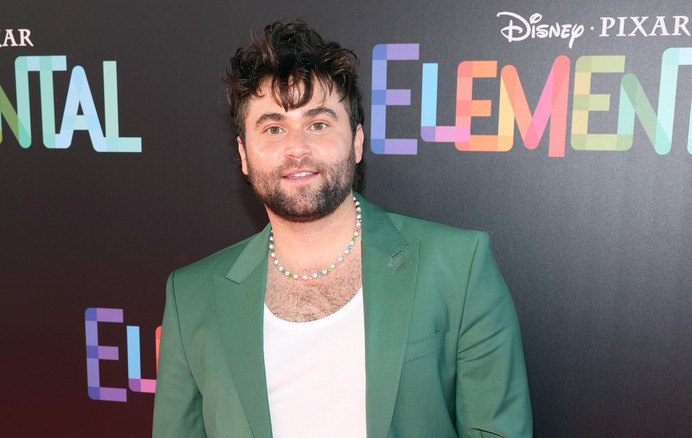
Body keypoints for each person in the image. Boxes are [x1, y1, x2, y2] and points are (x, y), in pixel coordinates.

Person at [153, 20, 532, 438]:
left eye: (318, 124)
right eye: (273, 128)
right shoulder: (190, 299)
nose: (296, 148)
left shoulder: (459, 268)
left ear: (356, 142)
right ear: (244, 154)